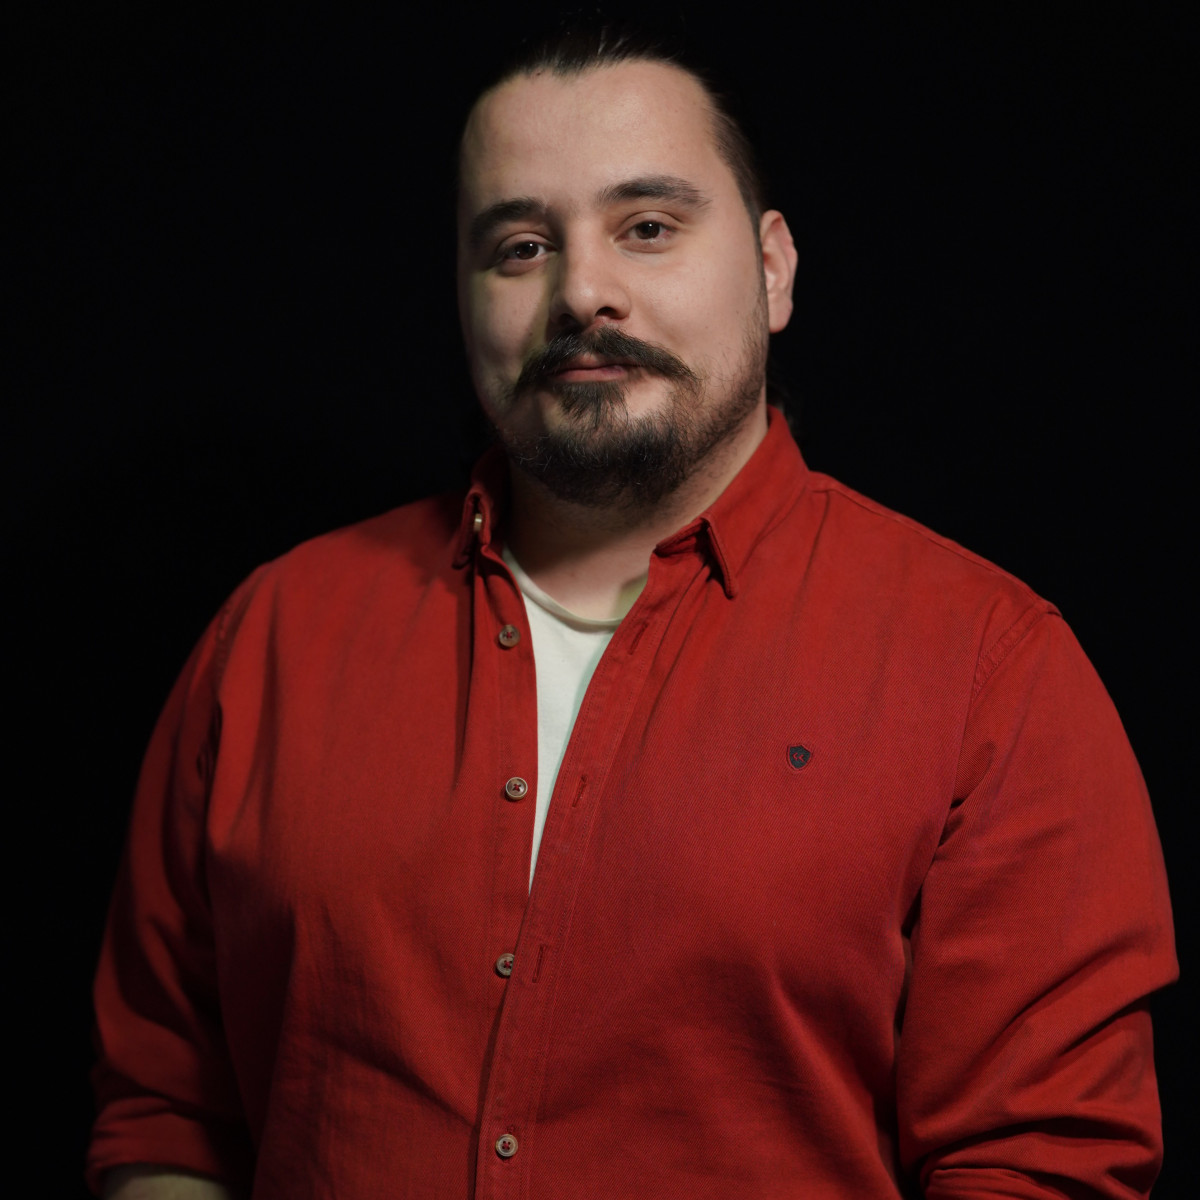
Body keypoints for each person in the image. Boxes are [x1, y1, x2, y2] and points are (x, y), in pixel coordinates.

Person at [89, 23, 1177, 1200]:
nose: (582, 292)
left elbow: (1039, 1161)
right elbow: (167, 1109)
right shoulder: (272, 637)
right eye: (520, 247)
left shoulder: (991, 670)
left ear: (774, 269)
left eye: (647, 227)